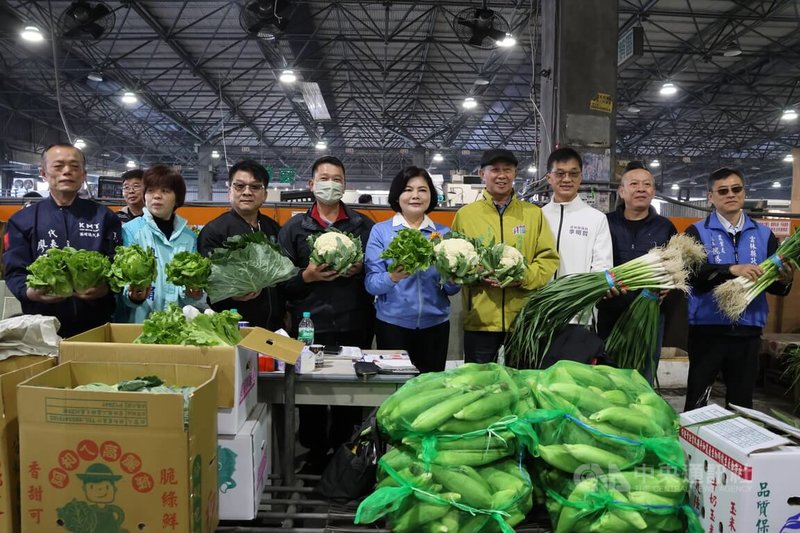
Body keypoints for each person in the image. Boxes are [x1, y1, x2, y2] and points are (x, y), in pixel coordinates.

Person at [277, 155, 375, 473]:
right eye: (324, 178)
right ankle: (315, 454)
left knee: (350, 395)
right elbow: (280, 281)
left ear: (344, 185)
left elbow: (377, 275)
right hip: (310, 323)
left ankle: (345, 454)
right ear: (311, 184)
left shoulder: (363, 225)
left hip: (354, 320)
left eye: (336, 179)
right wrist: (306, 276)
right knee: (310, 396)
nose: (330, 184)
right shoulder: (293, 228)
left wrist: (360, 269)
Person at [683, 167, 794, 410]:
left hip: (747, 330)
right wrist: (730, 269)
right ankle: (691, 446)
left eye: (736, 189)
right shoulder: (696, 231)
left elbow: (774, 285)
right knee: (698, 400)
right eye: (723, 191)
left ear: (744, 192)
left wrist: (785, 281)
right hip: (707, 330)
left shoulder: (765, 235)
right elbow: (693, 277)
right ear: (711, 197)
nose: (730, 194)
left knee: (742, 403)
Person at [451, 148, 559, 363]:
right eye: (495, 170)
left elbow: (548, 258)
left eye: (507, 170)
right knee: (480, 386)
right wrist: (476, 274)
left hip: (522, 318)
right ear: (482, 174)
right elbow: (455, 264)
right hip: (480, 318)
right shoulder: (466, 215)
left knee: (521, 384)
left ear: (515, 174)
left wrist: (523, 278)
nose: (502, 175)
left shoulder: (533, 213)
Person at [3, 143, 121, 338]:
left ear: (83, 175)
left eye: (74, 167)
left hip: (96, 324)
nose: (67, 172)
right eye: (58, 166)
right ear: (43, 173)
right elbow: (14, 270)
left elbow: (116, 265)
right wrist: (30, 292)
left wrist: (105, 288)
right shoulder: (22, 220)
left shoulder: (104, 217)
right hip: (41, 327)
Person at [365, 166, 460, 373]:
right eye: (408, 189)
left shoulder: (444, 234)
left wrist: (455, 279)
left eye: (422, 190)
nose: (415, 196)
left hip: (436, 326)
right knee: (395, 391)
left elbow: (451, 290)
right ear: (397, 195)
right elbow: (372, 284)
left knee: (429, 392)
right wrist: (392, 277)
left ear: (431, 196)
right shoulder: (381, 231)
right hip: (392, 326)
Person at [596, 161, 678, 382]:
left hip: (649, 315)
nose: (641, 189)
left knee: (644, 372)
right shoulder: (603, 222)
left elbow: (676, 267)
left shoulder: (665, 227)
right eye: (634, 184)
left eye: (647, 184)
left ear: (653, 191)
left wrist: (669, 284)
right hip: (610, 311)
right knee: (606, 372)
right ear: (622, 192)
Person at [198, 159, 285, 330]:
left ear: (265, 194)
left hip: (274, 327)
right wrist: (233, 295)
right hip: (233, 326)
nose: (247, 192)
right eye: (239, 186)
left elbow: (284, 279)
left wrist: (285, 311)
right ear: (229, 191)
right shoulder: (215, 231)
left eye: (255, 187)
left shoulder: (273, 229)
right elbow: (209, 284)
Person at [117, 164, 206, 322]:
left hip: (179, 324)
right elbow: (123, 283)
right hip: (141, 323)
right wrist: (134, 296)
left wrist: (194, 294)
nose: (156, 196)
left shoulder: (189, 237)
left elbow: (190, 290)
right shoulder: (131, 231)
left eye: (165, 191)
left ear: (177, 198)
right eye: (150, 191)